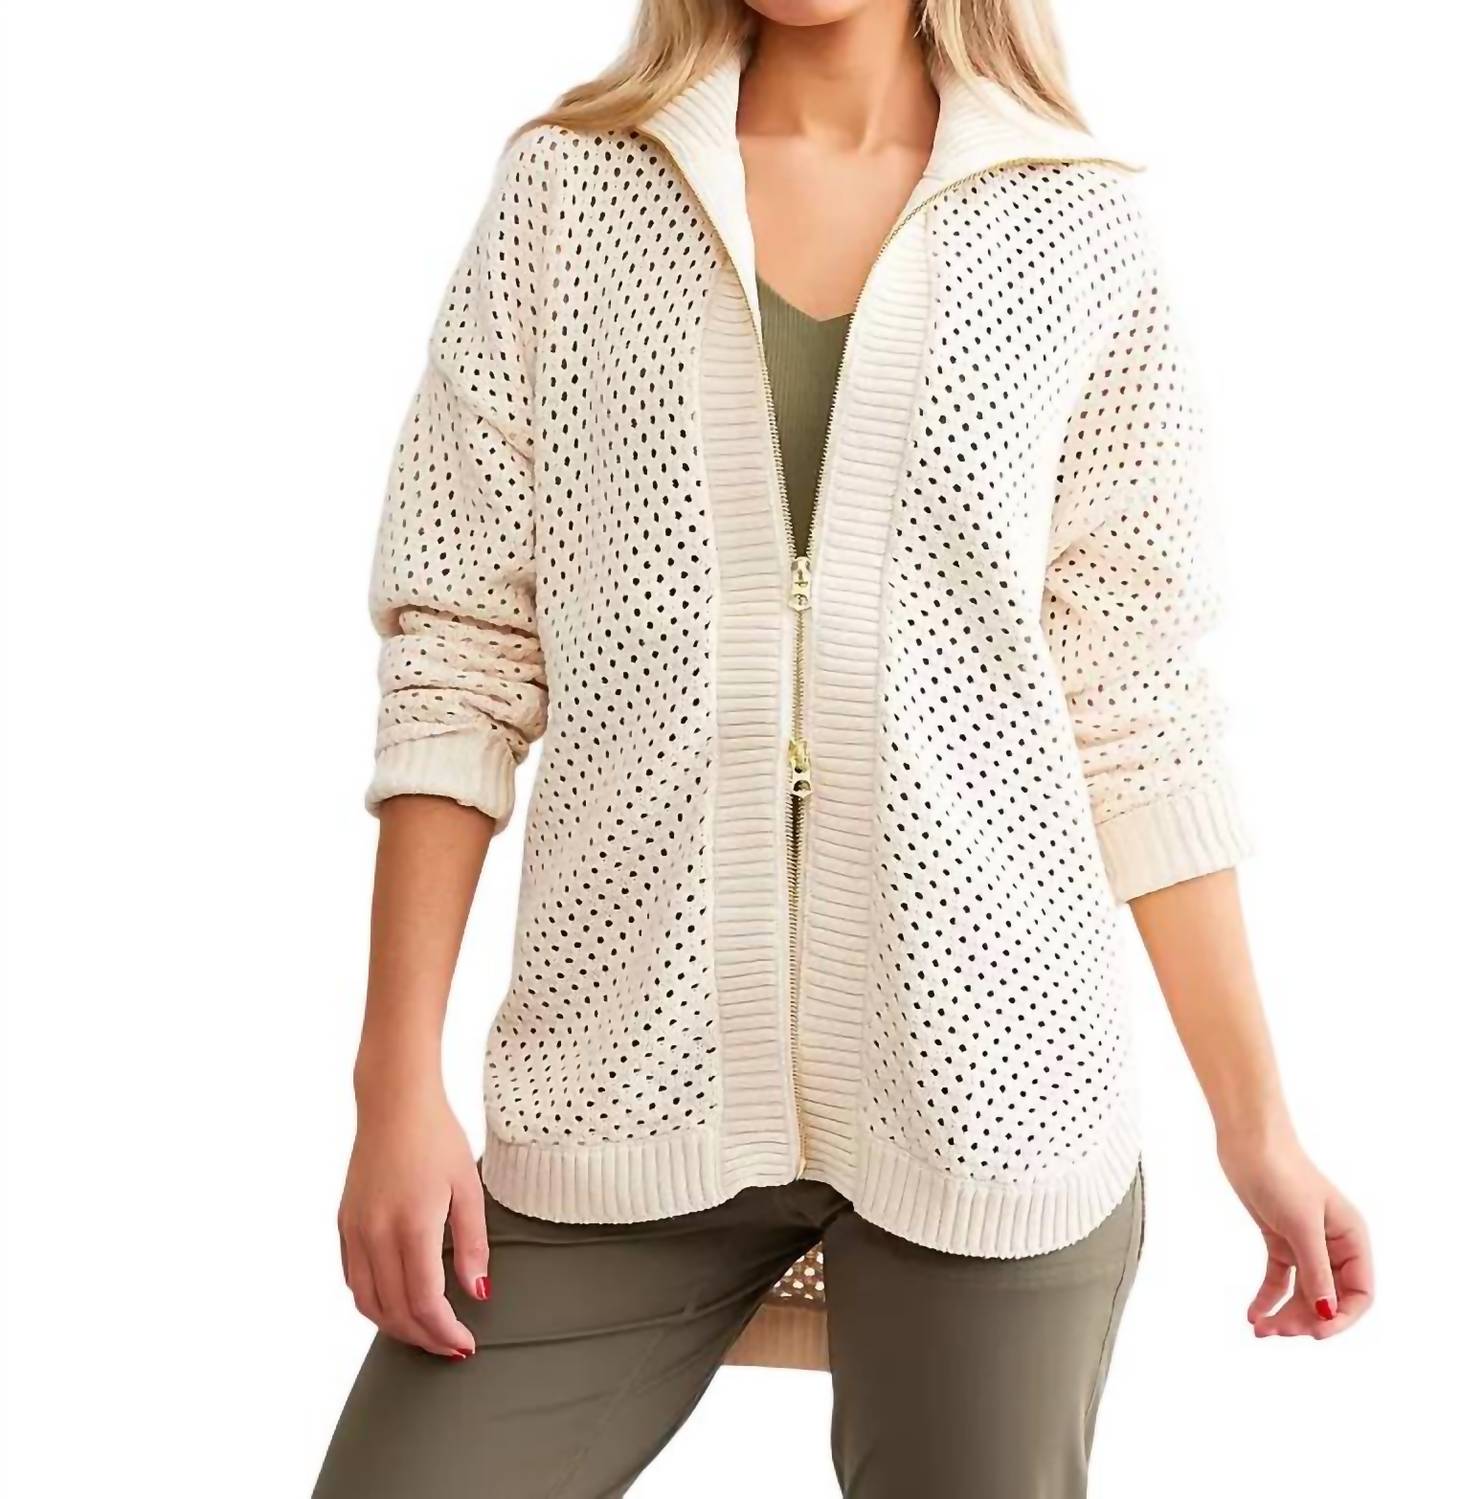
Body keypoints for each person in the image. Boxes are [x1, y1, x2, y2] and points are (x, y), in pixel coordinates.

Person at [315, 2, 1374, 1494]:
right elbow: (460, 650)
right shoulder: (570, 189)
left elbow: (1137, 708)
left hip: (993, 1097)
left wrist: (1257, 1126)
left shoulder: (1073, 224)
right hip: (615, 1083)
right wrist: (393, 1084)